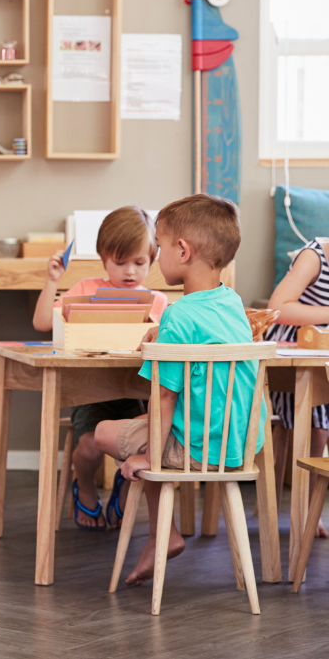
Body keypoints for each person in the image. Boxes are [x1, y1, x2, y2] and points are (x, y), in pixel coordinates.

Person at [94, 194, 261, 586]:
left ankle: (162, 533)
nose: (156, 254)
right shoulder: (231, 304)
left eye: (160, 244)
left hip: (192, 450)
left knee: (103, 431)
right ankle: (160, 529)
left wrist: (150, 457)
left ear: (182, 250)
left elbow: (165, 397)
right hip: (233, 447)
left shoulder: (178, 315)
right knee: (144, 421)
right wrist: (163, 335)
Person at [32, 206, 168, 530]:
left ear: (152, 259)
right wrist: (53, 281)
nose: (130, 271)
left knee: (146, 440)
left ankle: (124, 481)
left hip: (136, 393)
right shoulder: (85, 288)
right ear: (104, 258)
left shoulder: (158, 301)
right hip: (89, 390)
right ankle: (86, 484)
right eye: (119, 262)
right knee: (89, 445)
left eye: (140, 262)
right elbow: (40, 322)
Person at [266, 238, 329, 537]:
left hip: (324, 358)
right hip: (292, 360)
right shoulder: (314, 256)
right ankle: (305, 508)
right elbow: (278, 308)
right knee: (318, 425)